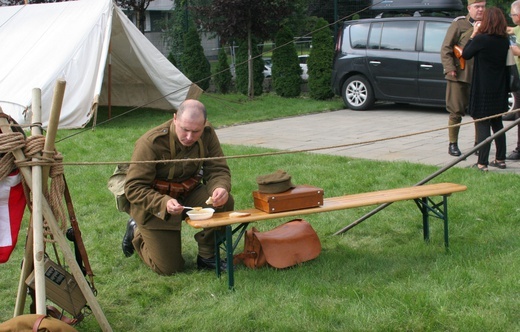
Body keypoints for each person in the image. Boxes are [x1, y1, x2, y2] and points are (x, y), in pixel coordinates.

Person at [122, 99, 234, 275]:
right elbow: (133, 187)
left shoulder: (208, 134)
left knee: (223, 203)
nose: (189, 137)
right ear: (175, 119)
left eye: (196, 131)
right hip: (157, 203)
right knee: (169, 269)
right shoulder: (151, 143)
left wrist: (220, 188)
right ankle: (136, 230)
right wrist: (163, 203)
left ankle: (207, 256)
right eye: (185, 129)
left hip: (189, 192)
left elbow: (217, 169)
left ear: (204, 124)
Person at [461, 6, 509, 171]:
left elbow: (465, 54)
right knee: (497, 124)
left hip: (483, 88)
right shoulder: (504, 40)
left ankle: (482, 163)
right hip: (499, 88)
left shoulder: (482, 39)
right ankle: (501, 159)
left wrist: (473, 34)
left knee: (482, 125)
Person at [440, 0, 486, 157]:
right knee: (456, 111)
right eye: (477, 6)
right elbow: (446, 48)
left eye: (483, 6)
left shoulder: (487, 25)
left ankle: (478, 144)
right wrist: (450, 68)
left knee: (479, 112)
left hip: (479, 76)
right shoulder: (459, 25)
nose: (480, 9)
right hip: (459, 74)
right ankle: (453, 144)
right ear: (469, 8)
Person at [507, 0, 520, 161]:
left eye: (512, 14)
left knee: (518, 114)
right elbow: (510, 30)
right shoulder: (517, 28)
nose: (511, 17)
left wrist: (512, 49)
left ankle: (519, 149)